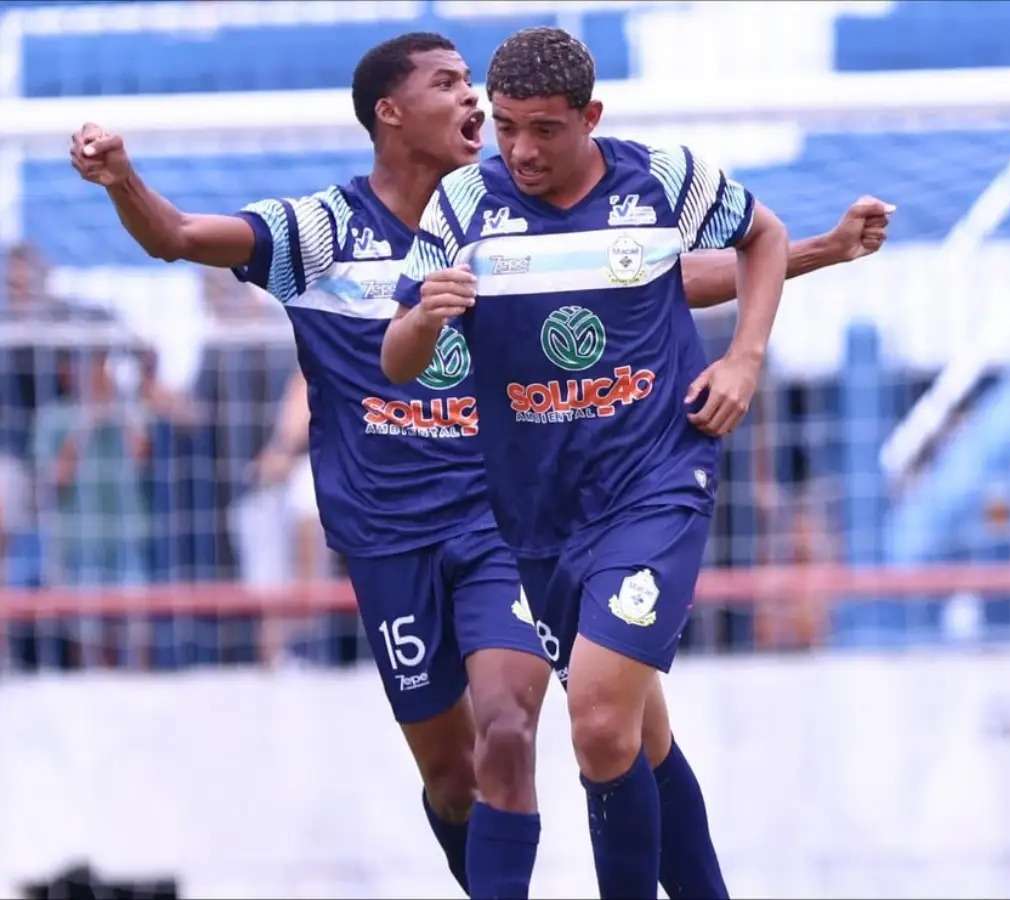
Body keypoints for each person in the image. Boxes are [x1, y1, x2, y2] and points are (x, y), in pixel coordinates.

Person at [73, 30, 891, 899]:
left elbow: (650, 275)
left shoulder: (556, 194)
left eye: (476, 85)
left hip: (511, 513)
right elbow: (179, 236)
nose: (473, 102)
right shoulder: (341, 227)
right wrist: (123, 179)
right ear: (391, 112)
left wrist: (809, 260)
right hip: (401, 531)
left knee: (528, 725)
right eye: (450, 84)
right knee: (466, 774)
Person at [384, 26, 796, 898]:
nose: (522, 150)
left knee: (600, 720)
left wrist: (744, 359)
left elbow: (764, 236)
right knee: (641, 737)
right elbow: (398, 359)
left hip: (656, 482)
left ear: (590, 117)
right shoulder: (462, 204)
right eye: (505, 127)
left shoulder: (663, 179)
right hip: (539, 513)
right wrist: (423, 318)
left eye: (544, 129)